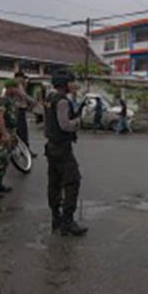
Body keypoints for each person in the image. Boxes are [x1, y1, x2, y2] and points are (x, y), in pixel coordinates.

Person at [44, 69, 88, 236]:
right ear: (64, 84)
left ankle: (56, 218)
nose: (73, 84)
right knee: (72, 181)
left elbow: (50, 123)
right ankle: (67, 221)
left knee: (54, 183)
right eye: (71, 81)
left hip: (51, 146)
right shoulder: (62, 101)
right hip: (62, 148)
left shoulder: (49, 98)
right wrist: (77, 121)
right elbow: (65, 125)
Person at [0, 80, 22, 198]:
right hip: (3, 131)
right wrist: (4, 133)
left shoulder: (11, 100)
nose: (17, 90)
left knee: (6, 158)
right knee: (0, 158)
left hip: (10, 131)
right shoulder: (2, 99)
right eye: (16, 88)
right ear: (9, 88)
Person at [12, 72, 37, 156]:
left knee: (19, 131)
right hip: (18, 110)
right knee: (22, 131)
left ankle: (21, 150)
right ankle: (25, 151)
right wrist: (33, 101)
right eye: (23, 78)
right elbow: (23, 96)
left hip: (18, 110)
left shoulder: (18, 85)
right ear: (18, 77)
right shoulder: (17, 85)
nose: (24, 80)